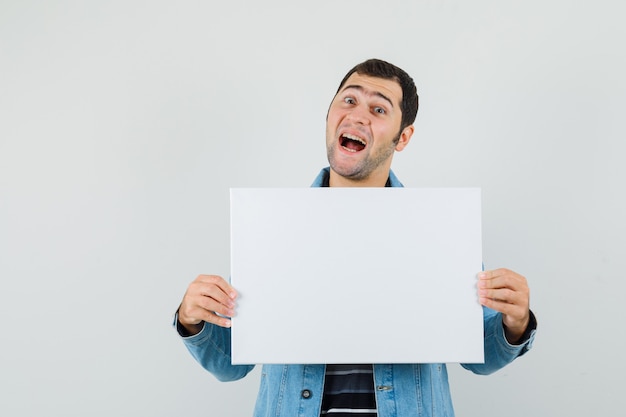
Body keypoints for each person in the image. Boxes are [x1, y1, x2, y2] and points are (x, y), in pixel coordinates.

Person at [174, 58, 537, 417]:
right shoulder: (274, 226)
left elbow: (480, 359)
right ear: (329, 116)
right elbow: (231, 365)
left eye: (378, 108)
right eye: (349, 101)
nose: (358, 116)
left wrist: (514, 323)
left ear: (403, 136)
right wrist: (193, 319)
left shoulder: (438, 229)